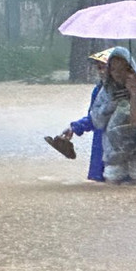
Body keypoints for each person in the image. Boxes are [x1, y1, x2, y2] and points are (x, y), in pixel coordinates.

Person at [90, 46, 136, 185]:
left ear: (130, 68)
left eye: (122, 69)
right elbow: (96, 121)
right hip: (113, 151)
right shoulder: (105, 91)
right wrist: (112, 105)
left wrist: (134, 93)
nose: (117, 73)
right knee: (112, 192)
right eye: (113, 69)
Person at [56, 48, 112, 182]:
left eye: (105, 67)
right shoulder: (98, 90)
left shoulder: (126, 90)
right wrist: (74, 128)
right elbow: (94, 117)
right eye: (99, 68)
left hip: (120, 145)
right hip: (100, 143)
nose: (102, 71)